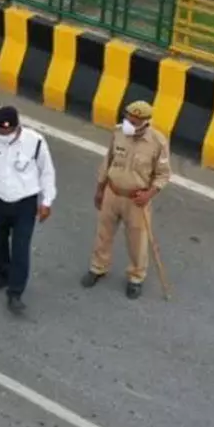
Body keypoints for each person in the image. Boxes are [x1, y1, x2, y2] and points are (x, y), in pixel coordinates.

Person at [0, 105, 55, 314]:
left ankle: (15, 292)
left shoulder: (35, 142)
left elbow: (47, 172)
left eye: (5, 131)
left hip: (24, 203)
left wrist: (47, 201)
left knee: (20, 248)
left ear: (16, 128)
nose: (1, 134)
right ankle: (3, 276)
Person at [83, 100, 172, 299]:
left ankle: (136, 277)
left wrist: (149, 194)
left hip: (136, 200)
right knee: (103, 234)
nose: (129, 123)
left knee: (137, 241)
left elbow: (163, 175)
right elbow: (108, 161)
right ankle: (98, 267)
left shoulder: (157, 142)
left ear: (145, 122)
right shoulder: (118, 133)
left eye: (134, 120)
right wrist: (100, 189)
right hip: (112, 192)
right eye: (128, 118)